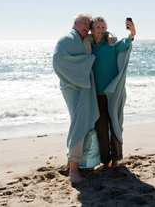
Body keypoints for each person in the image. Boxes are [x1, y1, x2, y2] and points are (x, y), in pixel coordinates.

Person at [52, 13, 101, 185]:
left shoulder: (85, 39)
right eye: (84, 22)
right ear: (75, 23)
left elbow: (101, 34)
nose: (87, 25)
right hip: (73, 88)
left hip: (85, 88)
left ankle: (72, 164)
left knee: (80, 124)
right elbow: (58, 62)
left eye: (89, 23)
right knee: (79, 125)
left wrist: (109, 35)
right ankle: (73, 172)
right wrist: (88, 61)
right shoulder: (66, 39)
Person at [90, 16, 136, 167]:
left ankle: (116, 159)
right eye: (98, 27)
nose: (101, 30)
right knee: (101, 129)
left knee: (115, 125)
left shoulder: (111, 44)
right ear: (92, 29)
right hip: (96, 95)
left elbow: (124, 44)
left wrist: (132, 34)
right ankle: (105, 161)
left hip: (114, 93)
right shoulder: (89, 46)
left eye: (104, 27)